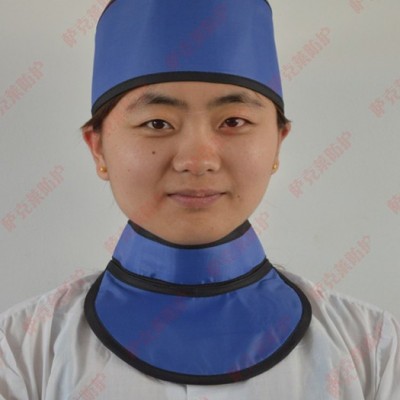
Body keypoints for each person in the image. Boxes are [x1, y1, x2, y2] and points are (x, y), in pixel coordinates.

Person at [1, 0, 399, 399]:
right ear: (98, 148)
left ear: (278, 142)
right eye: (157, 123)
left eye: (234, 121)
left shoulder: (373, 349)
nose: (197, 160)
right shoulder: (21, 352)